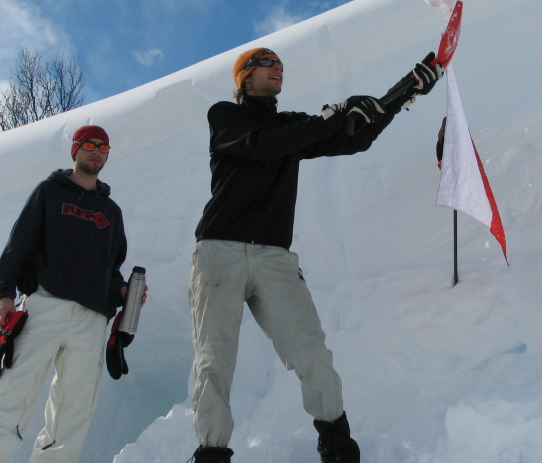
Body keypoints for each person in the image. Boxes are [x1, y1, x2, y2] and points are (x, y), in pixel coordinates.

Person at [188, 47, 441, 463]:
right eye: (268, 63)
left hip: (275, 256)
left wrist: (403, 93)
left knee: (312, 352)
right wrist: (333, 116)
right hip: (220, 250)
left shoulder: (292, 125)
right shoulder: (226, 117)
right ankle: (211, 454)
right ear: (244, 77)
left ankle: (337, 446)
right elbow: (264, 146)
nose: (278, 68)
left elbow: (352, 139)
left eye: (280, 65)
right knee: (214, 361)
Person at [0, 125, 141, 463]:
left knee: (75, 406)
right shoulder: (50, 192)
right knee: (14, 394)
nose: (96, 151)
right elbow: (19, 244)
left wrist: (124, 290)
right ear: (75, 151)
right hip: (45, 304)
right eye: (89, 145)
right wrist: (3, 293)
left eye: (103, 146)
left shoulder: (111, 212)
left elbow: (111, 268)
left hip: (92, 318)